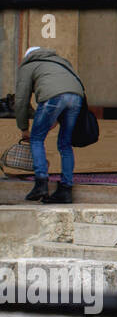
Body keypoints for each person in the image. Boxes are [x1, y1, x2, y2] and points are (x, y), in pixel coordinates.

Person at [14, 45, 85, 204]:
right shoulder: (61, 62)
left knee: (36, 139)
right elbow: (66, 88)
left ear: (27, 56)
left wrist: (23, 128)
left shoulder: (28, 65)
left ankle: (41, 183)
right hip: (76, 98)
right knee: (65, 144)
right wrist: (57, 118)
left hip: (52, 98)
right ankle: (66, 190)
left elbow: (21, 100)